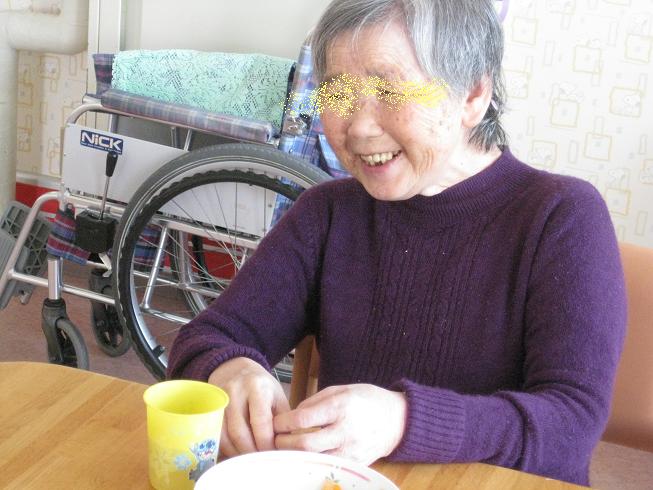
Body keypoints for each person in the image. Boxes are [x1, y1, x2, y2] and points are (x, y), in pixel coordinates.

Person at [167, 0, 626, 486]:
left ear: (473, 94)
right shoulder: (329, 213)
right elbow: (205, 338)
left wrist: (403, 421)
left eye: (391, 90)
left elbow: (570, 426)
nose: (359, 127)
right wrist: (231, 369)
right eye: (338, 93)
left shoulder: (561, 216)